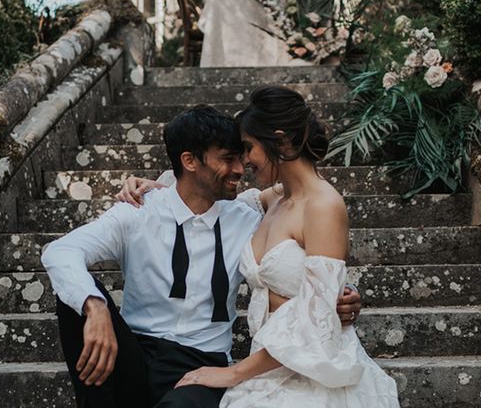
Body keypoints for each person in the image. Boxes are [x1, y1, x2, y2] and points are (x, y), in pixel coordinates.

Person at [41, 104, 361, 408]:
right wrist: (94, 306)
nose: (239, 169)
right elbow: (60, 251)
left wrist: (338, 296)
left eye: (241, 157)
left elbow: (300, 213)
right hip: (135, 353)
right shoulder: (137, 213)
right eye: (227, 159)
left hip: (202, 364)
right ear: (190, 161)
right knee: (75, 300)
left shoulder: (249, 217)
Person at [126, 87, 400, 407]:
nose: (244, 161)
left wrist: (232, 373)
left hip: (313, 368)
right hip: (268, 364)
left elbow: (317, 318)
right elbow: (205, 201)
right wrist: (158, 187)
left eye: (248, 148)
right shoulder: (272, 199)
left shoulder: (323, 205)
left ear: (280, 141)